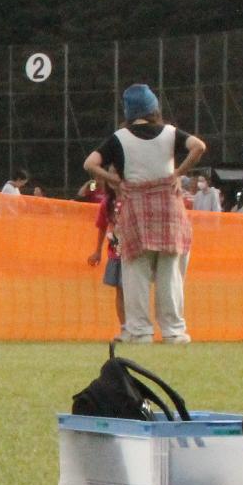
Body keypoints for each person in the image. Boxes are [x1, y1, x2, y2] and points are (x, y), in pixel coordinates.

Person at [82, 84, 205, 344]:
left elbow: (90, 163)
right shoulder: (171, 133)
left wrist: (113, 181)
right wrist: (178, 173)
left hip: (135, 208)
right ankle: (174, 332)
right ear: (154, 108)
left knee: (135, 271)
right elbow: (198, 146)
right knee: (169, 271)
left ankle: (139, 331)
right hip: (169, 209)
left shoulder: (119, 138)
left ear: (128, 111)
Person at [87, 183, 124, 334]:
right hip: (116, 253)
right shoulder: (107, 202)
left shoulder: (133, 198)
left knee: (133, 292)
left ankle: (138, 326)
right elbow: (102, 226)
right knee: (120, 292)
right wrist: (97, 251)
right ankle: (125, 328)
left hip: (134, 254)